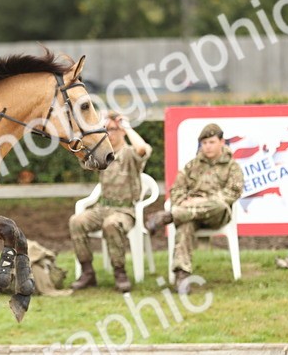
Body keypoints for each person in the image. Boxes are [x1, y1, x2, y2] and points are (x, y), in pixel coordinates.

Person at [145, 122, 243, 294]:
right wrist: (183, 202)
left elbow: (233, 193)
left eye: (211, 142)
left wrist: (199, 202)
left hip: (216, 214)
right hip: (190, 216)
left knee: (219, 204)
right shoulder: (192, 166)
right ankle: (181, 276)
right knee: (185, 226)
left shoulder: (232, 166)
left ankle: (169, 216)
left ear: (221, 142)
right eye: (204, 143)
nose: (208, 146)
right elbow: (176, 190)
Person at [68, 112, 151, 293]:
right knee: (76, 221)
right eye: (107, 130)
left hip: (125, 211)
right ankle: (87, 272)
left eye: (114, 129)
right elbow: (82, 155)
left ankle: (120, 273)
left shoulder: (129, 153)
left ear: (122, 131)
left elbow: (142, 149)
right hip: (103, 207)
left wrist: (126, 126)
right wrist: (93, 128)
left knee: (111, 224)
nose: (110, 134)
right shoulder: (103, 154)